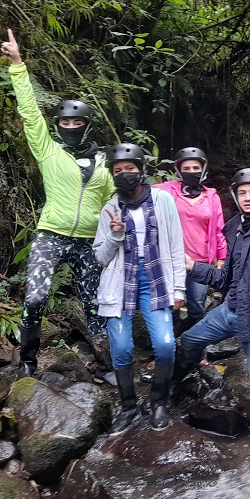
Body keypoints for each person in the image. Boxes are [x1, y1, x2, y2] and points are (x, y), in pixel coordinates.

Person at [0, 30, 112, 378]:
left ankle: (106, 362)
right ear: (59, 125)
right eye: (66, 122)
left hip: (88, 241)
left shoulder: (106, 163)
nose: (72, 126)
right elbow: (30, 114)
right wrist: (18, 65)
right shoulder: (48, 150)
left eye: (78, 122)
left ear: (87, 125)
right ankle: (28, 361)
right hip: (51, 233)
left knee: (95, 306)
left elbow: (112, 204)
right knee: (35, 298)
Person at [177, 168, 250, 445]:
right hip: (230, 310)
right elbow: (224, 279)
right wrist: (194, 267)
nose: (248, 197)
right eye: (243, 193)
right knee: (190, 341)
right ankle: (180, 388)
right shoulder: (236, 229)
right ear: (235, 196)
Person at [93, 143, 186, 433]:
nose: (124, 175)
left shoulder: (162, 201)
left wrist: (179, 289)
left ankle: (158, 402)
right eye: (118, 171)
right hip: (120, 284)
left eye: (129, 169)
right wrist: (115, 235)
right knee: (121, 349)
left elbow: (175, 246)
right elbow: (100, 256)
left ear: (141, 170)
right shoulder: (110, 208)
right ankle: (129, 406)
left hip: (155, 280)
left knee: (166, 346)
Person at [155, 147, 227, 329]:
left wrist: (222, 257)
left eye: (196, 168)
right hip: (172, 259)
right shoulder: (167, 191)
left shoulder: (211, 196)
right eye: (186, 168)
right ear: (179, 170)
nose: (191, 172)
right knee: (171, 304)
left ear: (203, 170)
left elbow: (219, 229)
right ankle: (169, 348)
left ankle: (200, 351)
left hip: (200, 261)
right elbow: (141, 192)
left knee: (197, 306)